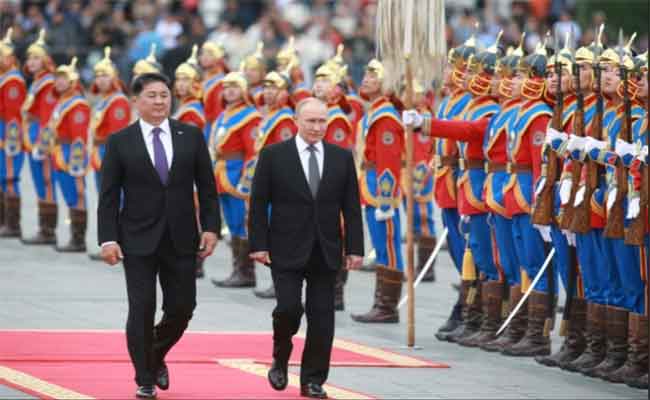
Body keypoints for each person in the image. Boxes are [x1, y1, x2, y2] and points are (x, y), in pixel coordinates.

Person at [97, 72, 220, 398]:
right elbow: (108, 195)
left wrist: (210, 228)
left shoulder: (190, 136)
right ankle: (145, 378)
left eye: (164, 95)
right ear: (135, 101)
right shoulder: (120, 141)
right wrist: (107, 239)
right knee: (142, 307)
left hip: (181, 237)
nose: (159, 101)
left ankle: (154, 353)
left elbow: (207, 188)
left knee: (182, 307)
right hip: (136, 238)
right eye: (151, 95)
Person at [248, 97, 363, 399]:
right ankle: (280, 354)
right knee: (288, 308)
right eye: (311, 121)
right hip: (284, 246)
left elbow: (351, 207)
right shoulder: (274, 155)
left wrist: (355, 248)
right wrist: (258, 244)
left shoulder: (341, 157)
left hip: (326, 249)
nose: (317, 127)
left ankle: (313, 379)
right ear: (296, 121)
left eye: (322, 121)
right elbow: (259, 203)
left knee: (322, 316)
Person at [20, 29, 59, 245]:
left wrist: (43, 144)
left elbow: (48, 117)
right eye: (29, 57)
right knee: (38, 182)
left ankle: (48, 230)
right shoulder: (36, 81)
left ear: (45, 60)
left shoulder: (48, 83)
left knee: (47, 181)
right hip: (31, 136)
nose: (31, 61)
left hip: (42, 139)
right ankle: (43, 227)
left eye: (36, 57)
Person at [50, 56, 91, 252]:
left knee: (77, 194)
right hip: (59, 150)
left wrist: (77, 167)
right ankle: (74, 237)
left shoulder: (77, 105)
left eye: (63, 78)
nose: (58, 81)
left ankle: (78, 239)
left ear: (72, 81)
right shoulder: (62, 100)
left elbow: (79, 139)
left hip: (70, 153)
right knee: (69, 195)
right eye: (57, 78)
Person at [0, 28, 27, 237]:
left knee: (9, 176)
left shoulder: (13, 81)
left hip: (8, 132)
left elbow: (12, 114)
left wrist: (10, 140)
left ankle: (12, 223)